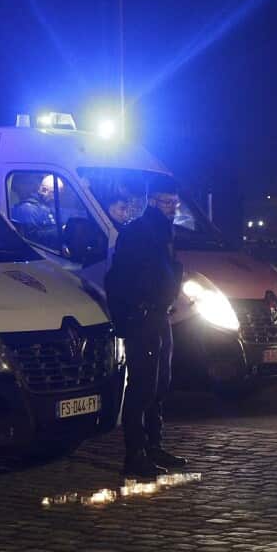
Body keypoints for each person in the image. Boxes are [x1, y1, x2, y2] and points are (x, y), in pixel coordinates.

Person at [105, 177, 186, 479]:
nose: (173, 209)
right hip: (143, 317)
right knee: (142, 387)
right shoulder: (138, 233)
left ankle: (153, 445)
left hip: (158, 315)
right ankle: (135, 453)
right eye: (167, 203)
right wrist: (128, 315)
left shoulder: (163, 232)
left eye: (175, 204)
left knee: (160, 384)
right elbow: (119, 280)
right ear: (153, 202)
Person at [9, 174, 57, 246]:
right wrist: (59, 231)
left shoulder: (44, 206)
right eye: (54, 194)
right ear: (44, 190)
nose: (55, 198)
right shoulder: (28, 209)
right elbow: (32, 239)